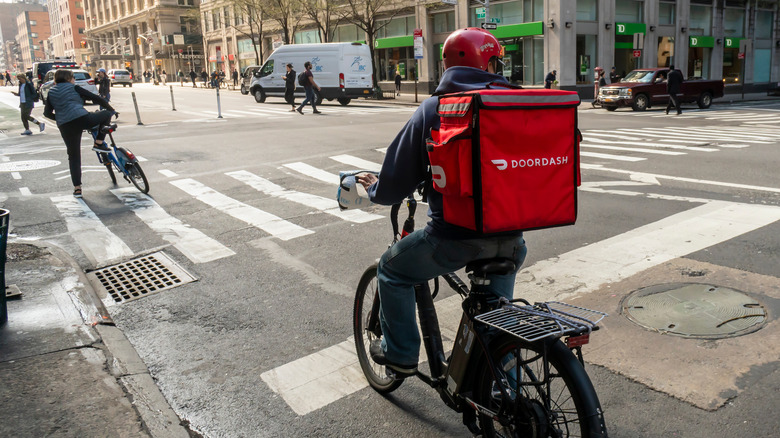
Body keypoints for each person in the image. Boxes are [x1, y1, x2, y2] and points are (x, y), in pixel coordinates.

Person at [355, 28, 527, 377]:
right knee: (497, 322)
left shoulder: (437, 108)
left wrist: (374, 188)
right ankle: (509, 397)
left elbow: (393, 184)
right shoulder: (517, 104)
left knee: (391, 270)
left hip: (454, 240)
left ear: (449, 63)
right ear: (490, 63)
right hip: (512, 240)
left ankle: (400, 353)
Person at [43, 69, 115, 199]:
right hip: (82, 118)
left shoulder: (51, 92)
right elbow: (96, 98)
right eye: (73, 78)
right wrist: (111, 110)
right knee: (105, 114)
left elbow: (47, 113)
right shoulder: (74, 88)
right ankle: (98, 143)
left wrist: (61, 118)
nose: (74, 80)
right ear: (69, 79)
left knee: (74, 156)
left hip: (65, 126)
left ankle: (77, 189)